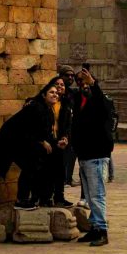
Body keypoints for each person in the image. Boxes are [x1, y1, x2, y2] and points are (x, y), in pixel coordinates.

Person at [0, 78, 62, 207]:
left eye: (56, 93)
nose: (55, 95)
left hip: (26, 141)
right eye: (51, 92)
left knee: (40, 163)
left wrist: (56, 143)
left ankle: (38, 197)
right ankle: (21, 200)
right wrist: (41, 142)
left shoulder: (47, 111)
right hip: (12, 140)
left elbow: (45, 133)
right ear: (43, 95)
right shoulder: (36, 107)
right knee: (30, 165)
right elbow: (27, 129)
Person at [72, 66, 114, 247]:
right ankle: (94, 228)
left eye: (85, 81)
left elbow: (103, 109)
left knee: (97, 195)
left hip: (96, 154)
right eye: (79, 81)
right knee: (90, 196)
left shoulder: (100, 100)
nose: (83, 84)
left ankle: (102, 231)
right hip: (85, 155)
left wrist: (94, 85)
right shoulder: (81, 102)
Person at [52, 76, 74, 207]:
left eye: (62, 85)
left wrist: (66, 137)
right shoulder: (47, 101)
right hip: (49, 141)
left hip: (61, 141)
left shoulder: (66, 104)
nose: (60, 87)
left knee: (61, 170)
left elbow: (67, 124)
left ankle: (59, 197)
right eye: (57, 84)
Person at [57, 64, 80, 185]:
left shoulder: (72, 93)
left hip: (70, 130)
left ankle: (67, 178)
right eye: (67, 75)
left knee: (71, 155)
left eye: (72, 76)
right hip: (57, 130)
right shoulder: (55, 92)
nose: (70, 78)